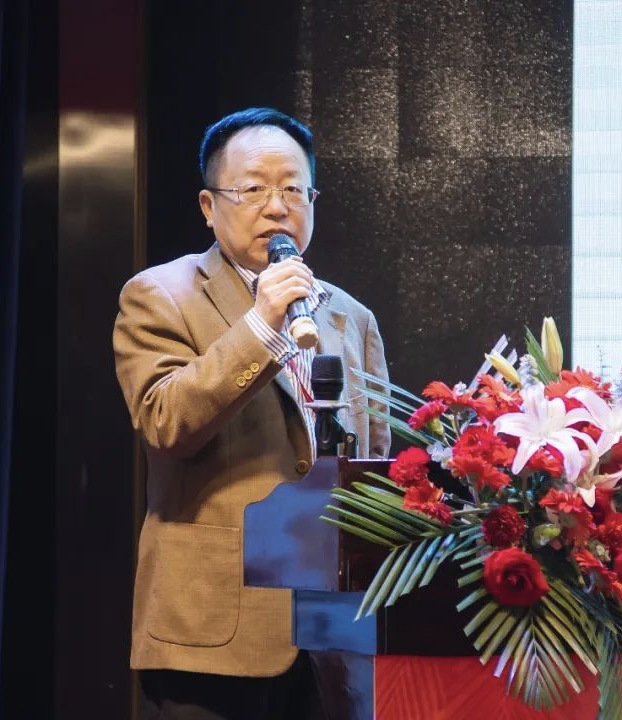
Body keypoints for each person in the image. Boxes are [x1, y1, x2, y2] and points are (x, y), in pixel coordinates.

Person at [112, 107, 391, 720]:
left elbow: (371, 464)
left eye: (293, 190)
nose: (276, 207)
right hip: (213, 630)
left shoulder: (350, 317)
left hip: (332, 634)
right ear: (209, 206)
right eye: (254, 190)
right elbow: (165, 421)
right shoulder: (159, 295)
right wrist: (261, 325)